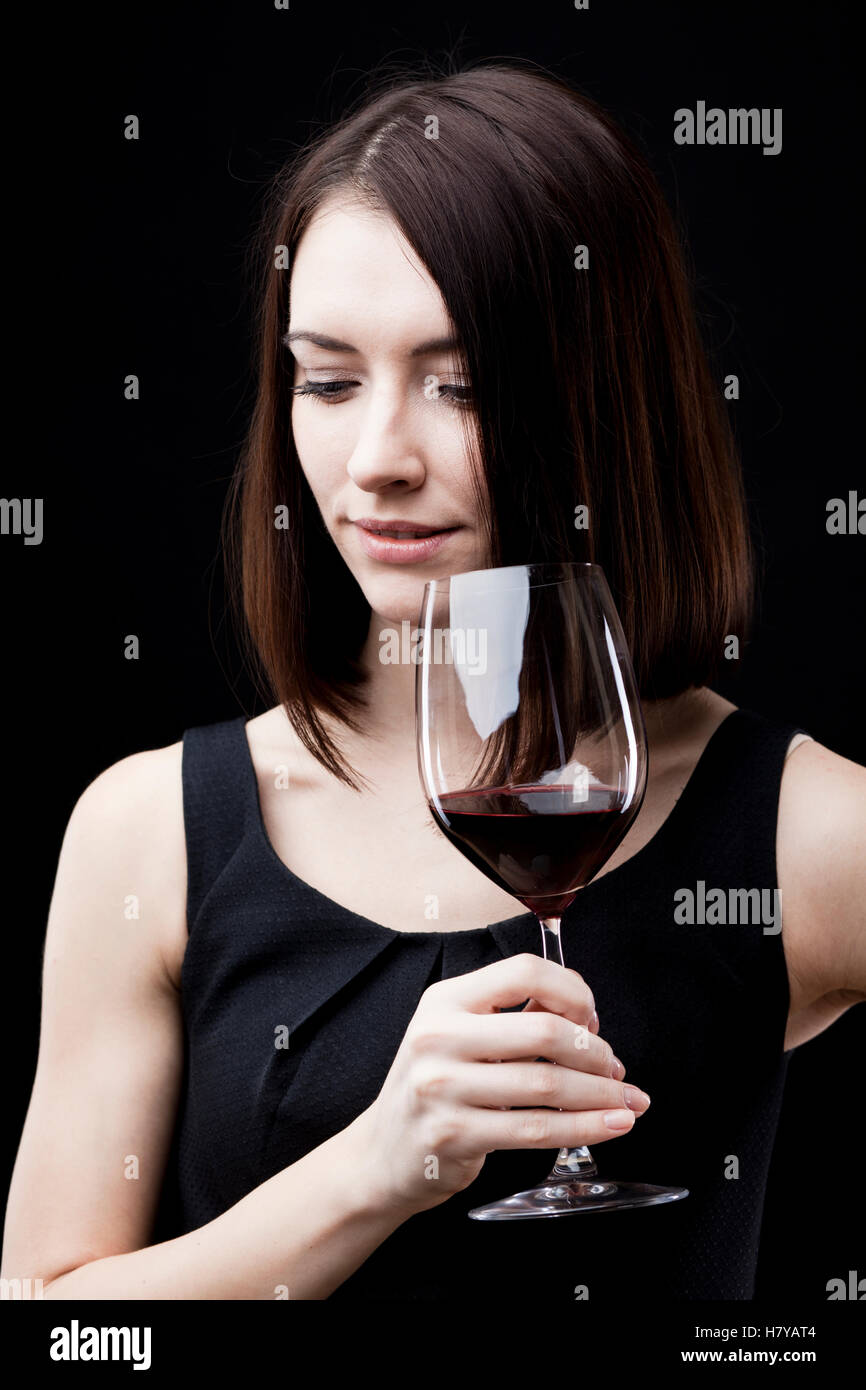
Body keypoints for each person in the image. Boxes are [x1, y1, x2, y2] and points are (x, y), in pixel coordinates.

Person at [3, 61, 864, 1302]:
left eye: (458, 383)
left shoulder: (797, 832)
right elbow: (58, 1336)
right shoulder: (148, 834)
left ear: (605, 398)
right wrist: (374, 1166)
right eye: (329, 379)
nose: (378, 459)